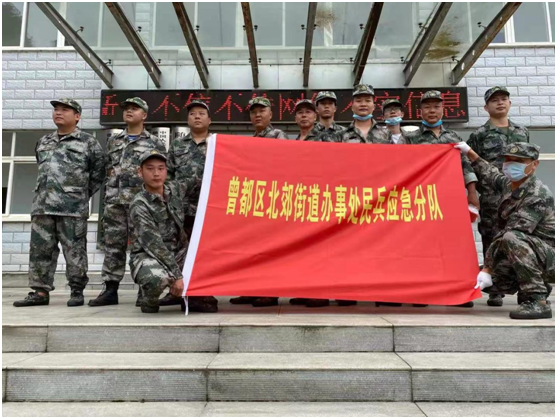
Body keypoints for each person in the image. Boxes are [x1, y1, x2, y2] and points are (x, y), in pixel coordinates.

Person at [14, 99, 106, 307]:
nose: (59, 112)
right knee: (40, 251)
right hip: (42, 206)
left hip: (72, 208)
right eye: (56, 109)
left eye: (65, 110)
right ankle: (40, 291)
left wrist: (79, 195)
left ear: (77, 116)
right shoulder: (44, 141)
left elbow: (98, 174)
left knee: (74, 251)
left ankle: (76, 291)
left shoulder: (88, 142)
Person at [455, 142, 554, 319]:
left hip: (547, 261)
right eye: (508, 160)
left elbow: (510, 234)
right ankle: (536, 284)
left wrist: (487, 268)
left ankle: (537, 300)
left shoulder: (537, 194)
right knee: (471, 280)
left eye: (519, 161)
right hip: (520, 257)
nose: (511, 165)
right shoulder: (510, 185)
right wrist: (469, 152)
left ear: (534, 164)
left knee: (511, 236)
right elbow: (490, 174)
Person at [89, 97, 167, 307]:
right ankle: (110, 289)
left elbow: (161, 173)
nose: (129, 111)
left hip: (142, 204)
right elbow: (107, 169)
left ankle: (145, 289)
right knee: (113, 246)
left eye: (134, 108)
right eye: (126, 109)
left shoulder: (155, 143)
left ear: (144, 115)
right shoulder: (114, 141)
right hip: (115, 203)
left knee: (143, 246)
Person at [467, 86, 530, 307]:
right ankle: (495, 289)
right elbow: (471, 165)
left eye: (504, 99)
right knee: (492, 240)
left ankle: (525, 288)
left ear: (510, 103)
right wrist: (473, 192)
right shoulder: (479, 135)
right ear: (486, 107)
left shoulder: (522, 132)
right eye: (494, 100)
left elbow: (529, 162)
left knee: (522, 241)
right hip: (492, 199)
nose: (500, 103)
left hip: (519, 198)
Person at [161, 99, 218, 313]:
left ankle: (204, 291)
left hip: (209, 209)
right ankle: (176, 291)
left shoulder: (217, 143)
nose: (196, 116)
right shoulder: (177, 145)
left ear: (209, 120)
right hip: (182, 209)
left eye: (201, 113)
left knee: (206, 251)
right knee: (180, 251)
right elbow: (168, 175)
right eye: (192, 113)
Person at [229, 97, 286, 307]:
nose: (258, 115)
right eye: (254, 112)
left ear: (271, 114)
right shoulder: (249, 140)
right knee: (252, 248)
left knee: (270, 249)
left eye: (262, 111)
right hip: (253, 201)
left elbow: (283, 165)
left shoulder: (278, 135)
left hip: (272, 200)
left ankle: (269, 291)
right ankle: (250, 289)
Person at [129, 150, 192, 314]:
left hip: (179, 252)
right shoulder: (139, 204)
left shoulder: (174, 189)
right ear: (140, 171)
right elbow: (155, 245)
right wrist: (178, 276)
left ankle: (185, 296)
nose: (156, 174)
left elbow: (200, 181)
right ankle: (148, 300)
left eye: (161, 168)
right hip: (149, 255)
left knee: (207, 261)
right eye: (150, 169)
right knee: (156, 279)